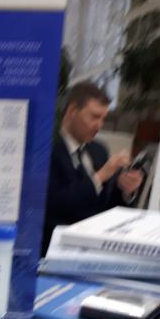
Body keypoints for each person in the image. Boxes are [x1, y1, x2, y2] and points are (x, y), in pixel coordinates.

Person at [42, 81, 144, 256]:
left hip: (98, 246)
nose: (99, 126)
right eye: (94, 117)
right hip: (59, 247)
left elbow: (107, 206)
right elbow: (56, 205)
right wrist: (100, 176)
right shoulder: (47, 149)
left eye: (103, 119)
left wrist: (125, 189)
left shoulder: (98, 150)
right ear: (72, 110)